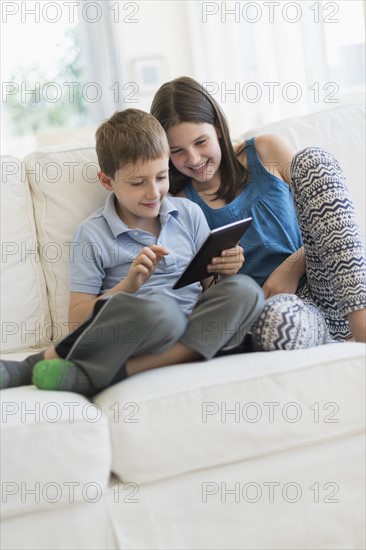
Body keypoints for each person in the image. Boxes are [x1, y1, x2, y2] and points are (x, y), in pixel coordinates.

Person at [0, 109, 264, 396]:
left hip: (194, 324)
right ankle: (48, 364)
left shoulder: (188, 214)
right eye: (138, 183)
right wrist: (128, 286)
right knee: (163, 312)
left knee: (246, 290)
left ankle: (99, 376)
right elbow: (76, 321)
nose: (153, 192)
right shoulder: (92, 235)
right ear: (107, 181)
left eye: (161, 177)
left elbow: (209, 288)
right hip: (144, 326)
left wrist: (226, 272)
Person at [150, 76, 366, 349]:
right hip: (281, 309)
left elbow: (330, 216)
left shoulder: (265, 150)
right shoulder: (182, 207)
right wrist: (227, 274)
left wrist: (291, 266)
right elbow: (212, 299)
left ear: (217, 128)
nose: (193, 159)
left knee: (313, 160)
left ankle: (361, 325)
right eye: (177, 151)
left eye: (200, 142)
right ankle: (334, 337)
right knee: (277, 325)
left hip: (330, 283)